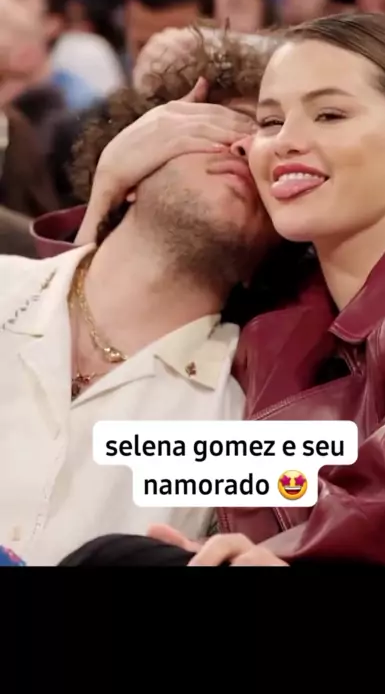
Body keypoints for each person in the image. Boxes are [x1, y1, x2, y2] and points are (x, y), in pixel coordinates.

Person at [67, 15, 385, 567]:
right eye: (269, 121)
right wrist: (108, 188)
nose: (285, 142)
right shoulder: (273, 326)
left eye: (329, 114)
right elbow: (56, 330)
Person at [0, 29, 281, 566]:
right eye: (224, 123)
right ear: (131, 158)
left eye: (274, 145)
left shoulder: (247, 423)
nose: (248, 146)